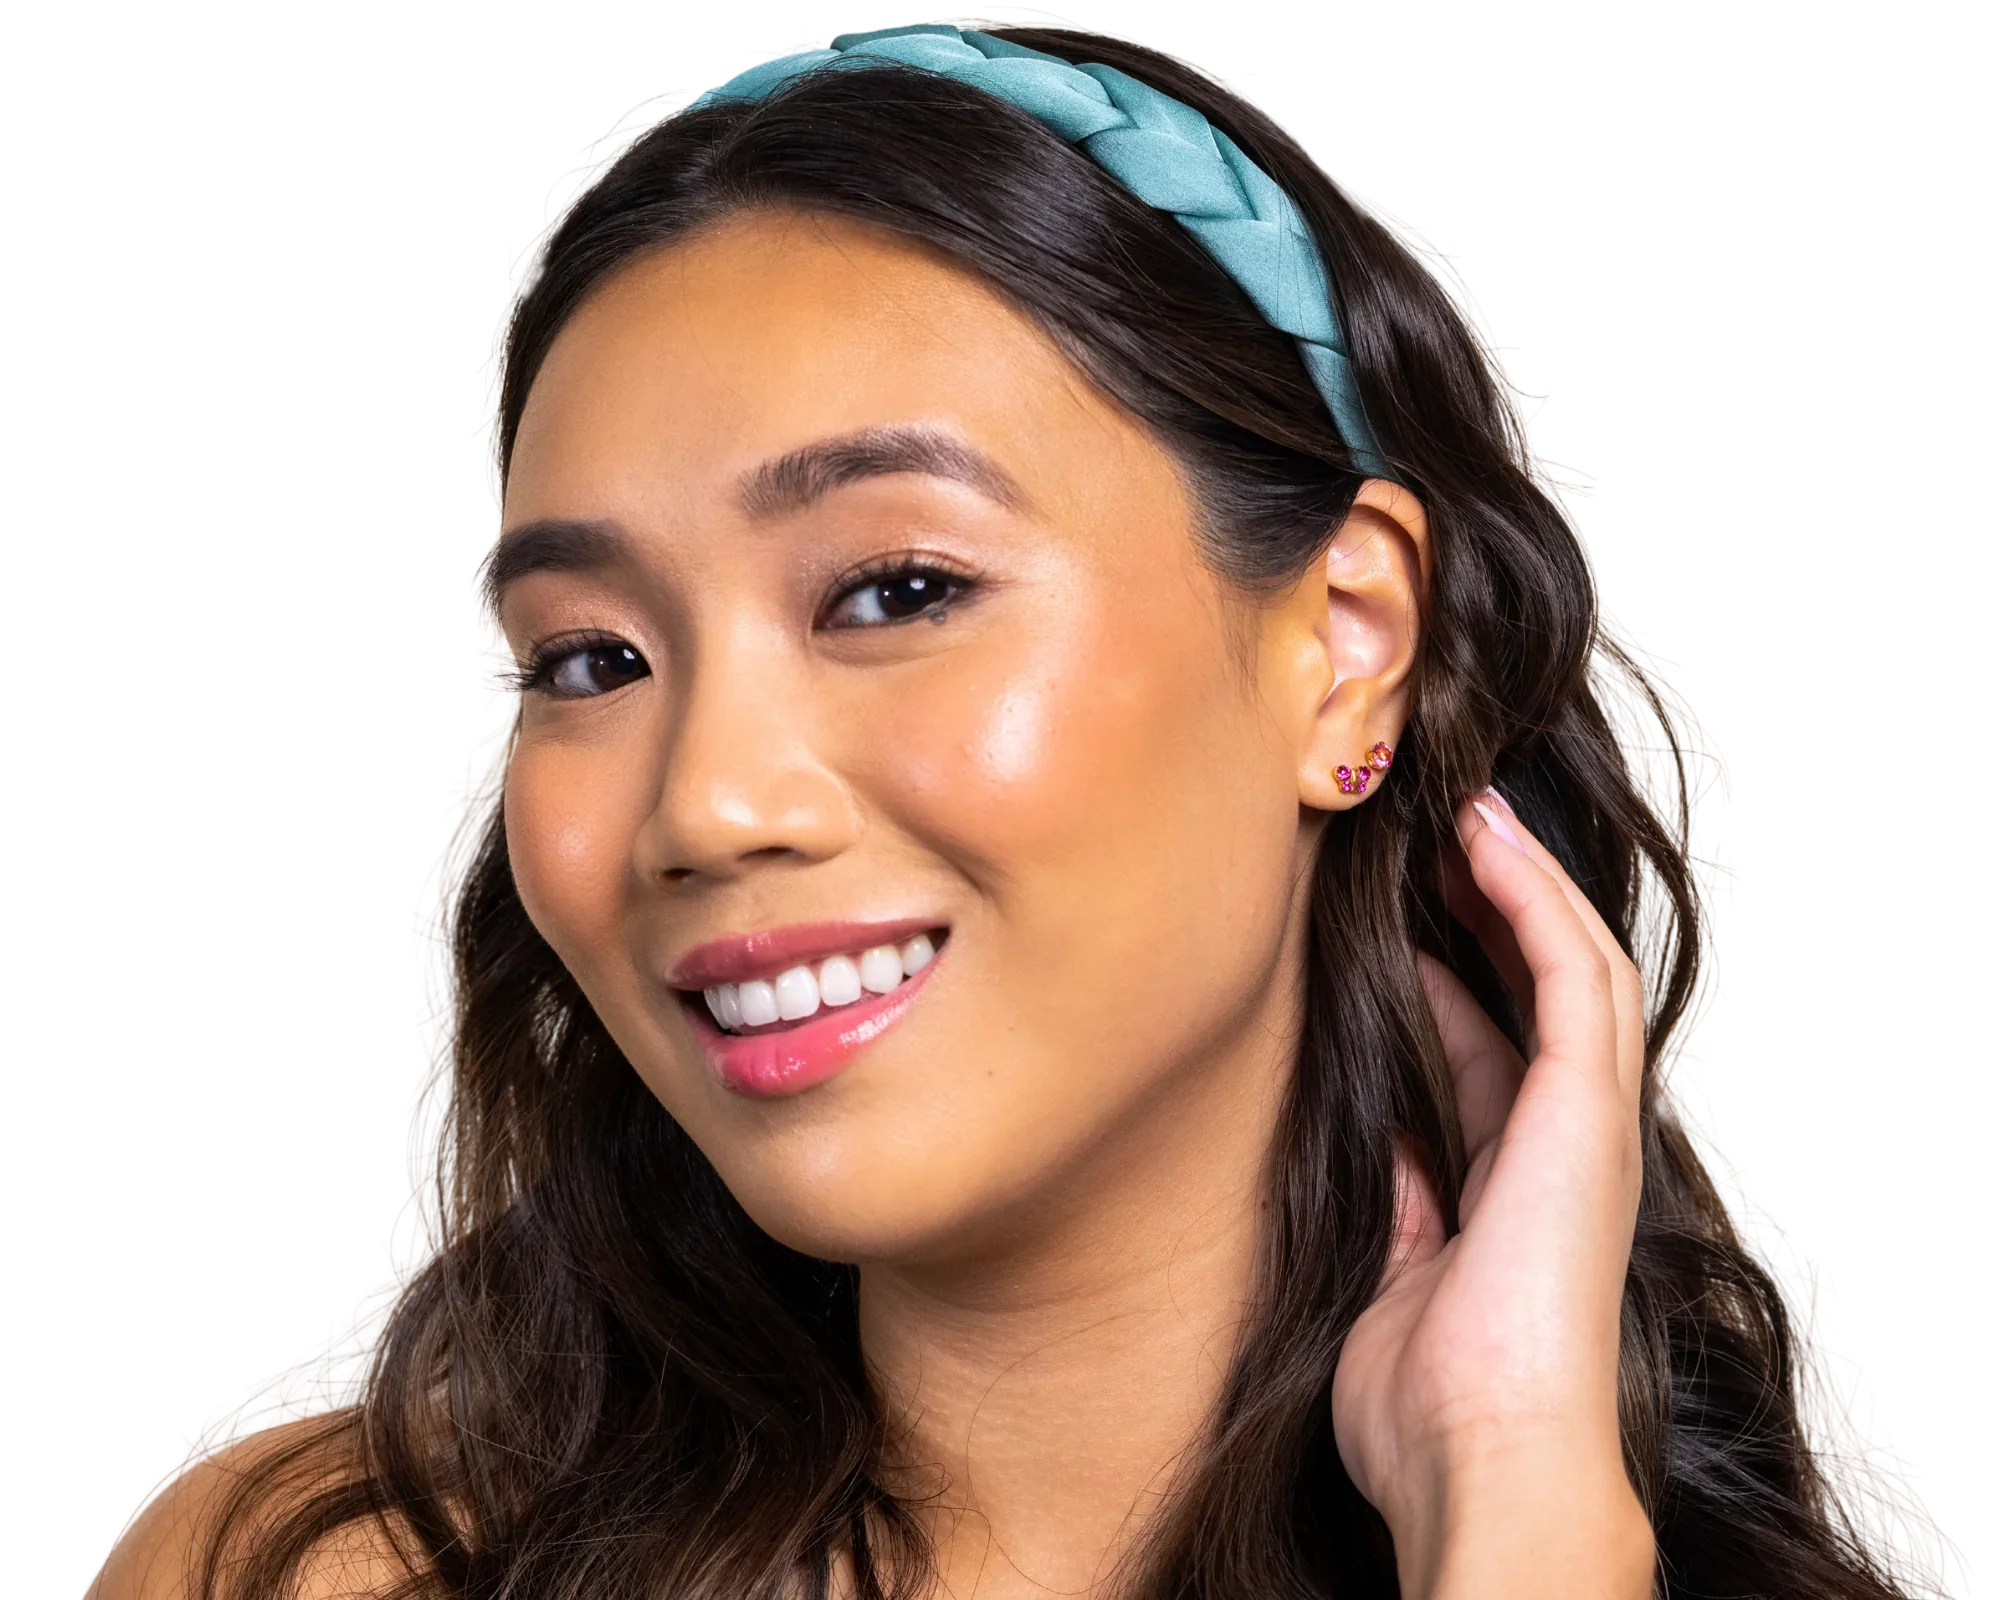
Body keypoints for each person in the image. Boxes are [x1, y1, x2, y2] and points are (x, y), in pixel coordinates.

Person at [83, 14, 1966, 1599]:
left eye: (896, 591)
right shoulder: (309, 1569)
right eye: (589, 662)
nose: (709, 805)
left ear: (1347, 644)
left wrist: (1516, 1506)